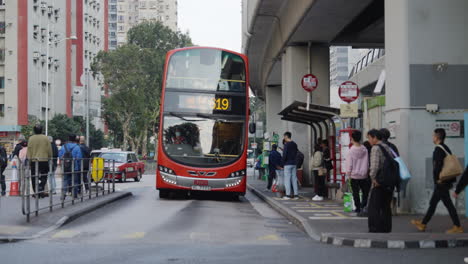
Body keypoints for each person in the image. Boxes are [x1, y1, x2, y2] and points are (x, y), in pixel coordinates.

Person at [411, 129, 463, 234]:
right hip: (445, 181)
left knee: (448, 204)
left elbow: (437, 166)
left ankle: (457, 226)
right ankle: (423, 223)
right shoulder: (446, 148)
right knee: (433, 203)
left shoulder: (438, 150)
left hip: (441, 182)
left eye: (433, 136)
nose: (432, 137)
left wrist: (437, 180)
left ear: (437, 137)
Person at [367, 129, 394, 233]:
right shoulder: (387, 147)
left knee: (374, 206)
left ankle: (375, 228)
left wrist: (373, 178)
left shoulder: (375, 148)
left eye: (369, 138)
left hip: (379, 181)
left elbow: (374, 166)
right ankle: (386, 227)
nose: (369, 140)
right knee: (386, 206)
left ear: (374, 137)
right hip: (388, 181)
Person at [346, 130, 370, 215]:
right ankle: (363, 206)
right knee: (365, 192)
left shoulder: (350, 151)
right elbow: (367, 162)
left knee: (355, 193)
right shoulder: (365, 149)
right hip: (364, 175)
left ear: (352, 138)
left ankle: (358, 208)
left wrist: (348, 174)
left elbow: (349, 164)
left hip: (354, 175)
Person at [27, 124, 53, 198]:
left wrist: (29, 162)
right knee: (44, 175)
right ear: (42, 130)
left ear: (34, 130)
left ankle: (36, 192)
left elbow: (29, 151)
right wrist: (50, 157)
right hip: (44, 160)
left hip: (34, 161)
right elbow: (49, 150)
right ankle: (41, 187)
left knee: (34, 177)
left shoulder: (31, 138)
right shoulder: (46, 138)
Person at [282, 131, 299, 200]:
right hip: (294, 163)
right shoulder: (295, 144)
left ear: (286, 136)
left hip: (287, 164)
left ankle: (288, 195)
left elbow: (284, 155)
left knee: (287, 179)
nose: (284, 138)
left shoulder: (286, 144)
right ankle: (296, 195)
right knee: (294, 179)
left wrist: (282, 163)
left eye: (284, 136)